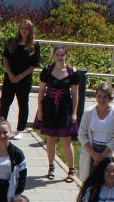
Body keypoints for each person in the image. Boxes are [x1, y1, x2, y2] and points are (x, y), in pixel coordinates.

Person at [37, 46, 80, 183]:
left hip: (65, 107)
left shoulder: (72, 72)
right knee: (51, 138)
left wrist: (74, 113)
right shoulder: (47, 70)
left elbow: (75, 94)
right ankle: (51, 168)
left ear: (66, 56)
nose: (60, 57)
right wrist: (40, 110)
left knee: (66, 140)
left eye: (62, 55)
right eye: (57, 55)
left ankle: (71, 171)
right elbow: (41, 91)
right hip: (49, 106)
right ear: (54, 56)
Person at [0, 19, 40, 137]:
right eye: (22, 28)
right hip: (10, 77)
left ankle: (20, 129)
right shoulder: (12, 42)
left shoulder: (34, 45)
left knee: (22, 103)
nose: (24, 30)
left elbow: (34, 65)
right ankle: (1, 126)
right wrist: (11, 75)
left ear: (30, 30)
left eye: (27, 28)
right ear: (19, 29)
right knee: (4, 102)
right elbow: (5, 58)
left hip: (24, 79)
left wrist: (20, 76)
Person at [78, 83, 114, 182]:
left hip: (107, 151)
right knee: (88, 181)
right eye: (99, 96)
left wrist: (102, 156)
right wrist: (93, 154)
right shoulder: (89, 112)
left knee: (105, 181)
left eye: (105, 97)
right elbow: (81, 133)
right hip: (90, 150)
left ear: (110, 97)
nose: (101, 100)